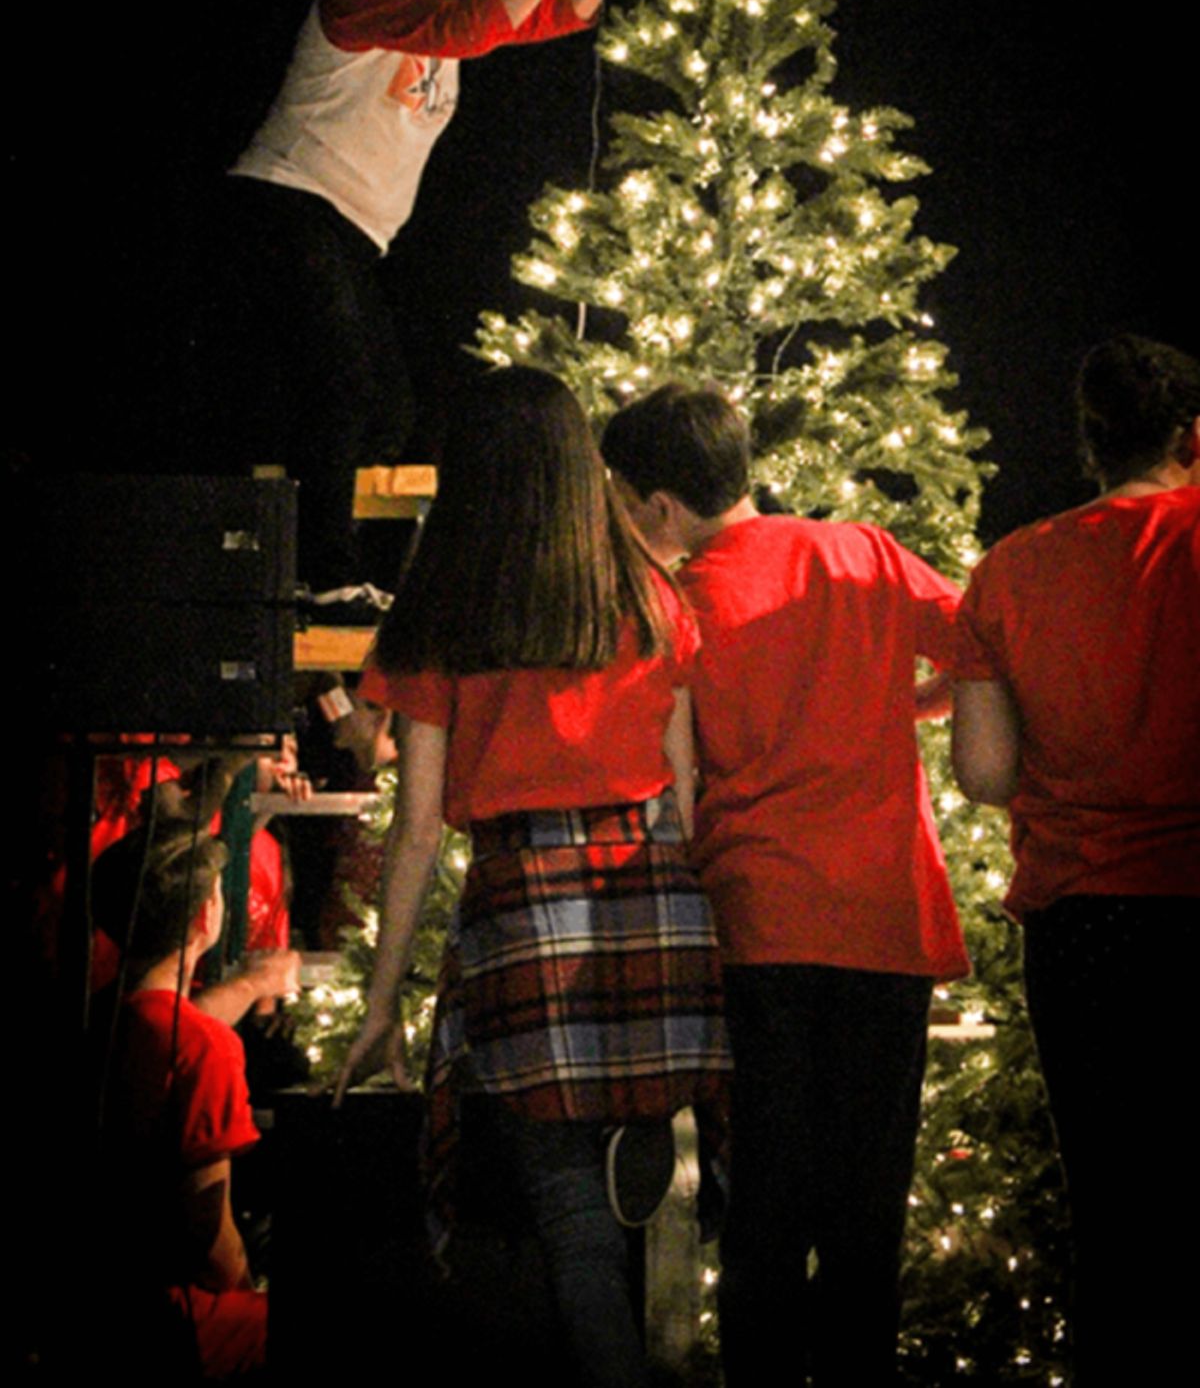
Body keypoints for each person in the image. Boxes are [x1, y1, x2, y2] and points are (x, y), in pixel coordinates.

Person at [335, 366, 730, 1388]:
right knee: (637, 1194)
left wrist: (383, 1004)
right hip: (651, 891)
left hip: (525, 904)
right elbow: (685, 782)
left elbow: (417, 827)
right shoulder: (649, 590)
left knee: (568, 1220)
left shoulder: (443, 608)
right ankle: (640, 1118)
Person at [602, 382, 968, 1387]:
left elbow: (670, 780)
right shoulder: (865, 553)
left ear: (661, 506)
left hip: (759, 922)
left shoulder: (674, 601)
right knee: (869, 1206)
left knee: (763, 1201)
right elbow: (987, 644)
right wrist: (914, 700)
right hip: (884, 914)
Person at [207, 0, 646, 599]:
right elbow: (473, 27)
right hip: (285, 202)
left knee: (389, 409)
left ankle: (298, 547)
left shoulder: (464, 0)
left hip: (351, 233)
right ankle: (322, 575)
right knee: (342, 383)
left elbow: (559, 11)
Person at [952, 333, 1200, 1384]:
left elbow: (985, 771)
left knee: (1114, 1210)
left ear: (1089, 445)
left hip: (1084, 920)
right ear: (1192, 436)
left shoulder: (1011, 567)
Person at [90, 828, 270, 1377]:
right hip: (166, 1322)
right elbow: (211, 1243)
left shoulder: (94, 1015)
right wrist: (249, 1287)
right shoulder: (201, 1045)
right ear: (205, 914)